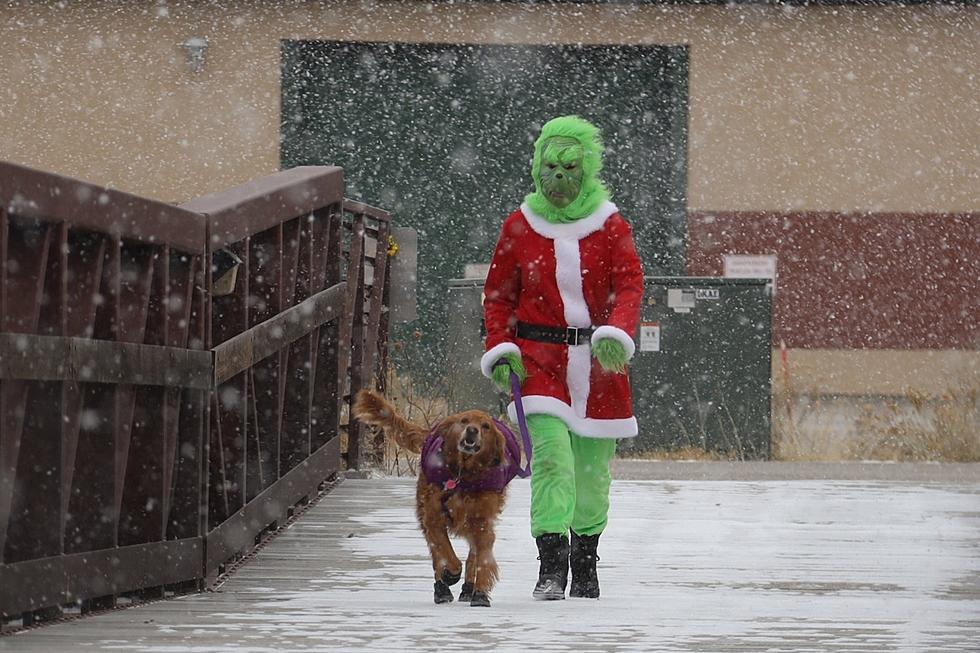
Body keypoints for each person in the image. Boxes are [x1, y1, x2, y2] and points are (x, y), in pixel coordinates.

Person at [481, 115, 644, 600]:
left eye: (570, 167)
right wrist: (501, 348)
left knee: (593, 472)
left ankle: (585, 559)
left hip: (599, 366)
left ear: (587, 169)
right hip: (538, 363)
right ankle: (550, 564)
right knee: (552, 460)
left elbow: (630, 283)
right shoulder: (520, 225)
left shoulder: (611, 225)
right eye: (549, 166)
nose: (558, 177)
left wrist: (617, 330)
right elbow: (498, 296)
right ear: (536, 167)